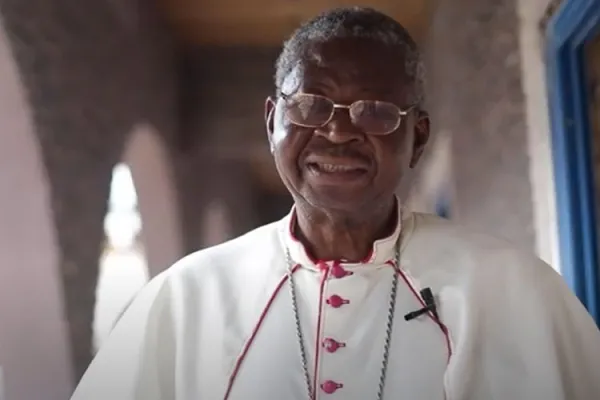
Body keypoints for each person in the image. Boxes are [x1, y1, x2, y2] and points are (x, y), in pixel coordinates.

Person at [71, 6, 600, 400]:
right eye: (309, 104)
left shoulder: (514, 289)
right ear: (272, 122)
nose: (338, 130)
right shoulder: (184, 298)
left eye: (374, 111)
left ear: (417, 138)